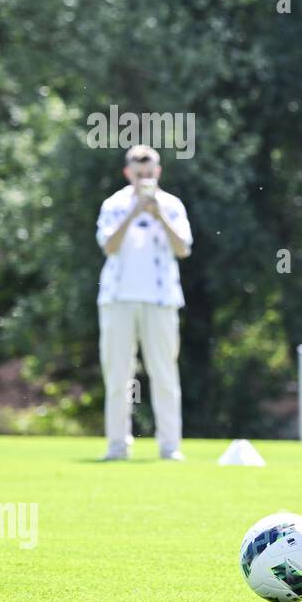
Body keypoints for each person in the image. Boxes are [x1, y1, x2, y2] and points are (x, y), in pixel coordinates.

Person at [94, 145, 193, 461]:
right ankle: (117, 446)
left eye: (150, 173)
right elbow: (109, 246)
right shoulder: (114, 204)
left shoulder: (172, 205)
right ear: (128, 174)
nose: (145, 179)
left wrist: (158, 215)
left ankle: (170, 446)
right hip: (118, 300)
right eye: (139, 174)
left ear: (158, 172)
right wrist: (134, 212)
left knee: (165, 375)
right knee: (117, 377)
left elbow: (183, 249)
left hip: (161, 301)